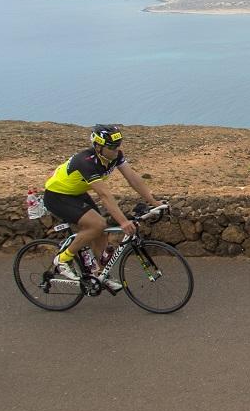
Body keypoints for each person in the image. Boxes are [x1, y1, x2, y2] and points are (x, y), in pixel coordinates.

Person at [43, 124, 163, 290]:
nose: (116, 150)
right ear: (98, 146)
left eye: (118, 145)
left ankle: (99, 275)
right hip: (57, 196)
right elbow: (104, 195)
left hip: (76, 193)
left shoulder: (115, 156)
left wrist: (154, 202)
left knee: (102, 230)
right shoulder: (85, 162)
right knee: (97, 224)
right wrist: (122, 222)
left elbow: (133, 178)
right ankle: (63, 259)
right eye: (112, 147)